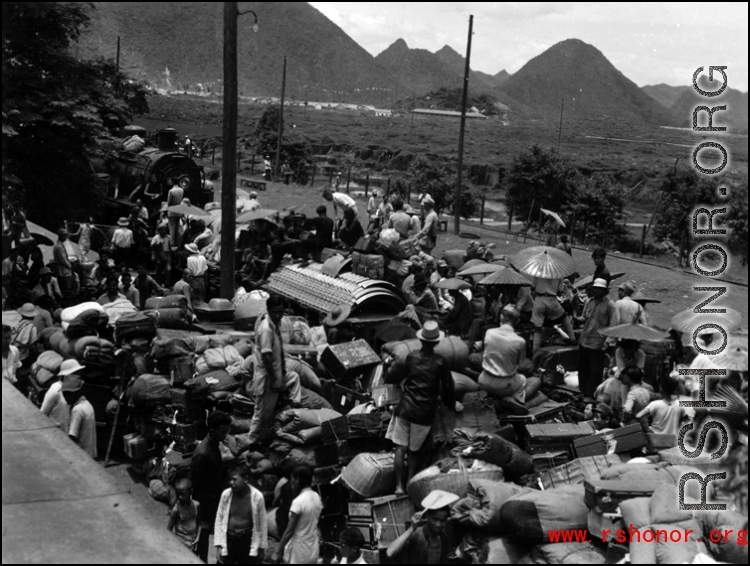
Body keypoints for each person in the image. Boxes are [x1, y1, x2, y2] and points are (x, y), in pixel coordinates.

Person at [385, 321, 461, 495]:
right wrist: (452, 403)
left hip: (405, 408)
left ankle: (398, 486)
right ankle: (410, 484)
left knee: (400, 448)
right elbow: (448, 387)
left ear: (421, 340)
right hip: (423, 412)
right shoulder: (440, 362)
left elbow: (405, 375)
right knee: (414, 451)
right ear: (436, 342)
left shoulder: (412, 356)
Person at [246, 295, 302, 449]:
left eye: (281, 312)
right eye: (275, 312)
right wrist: (275, 380)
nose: (278, 315)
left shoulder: (275, 326)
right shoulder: (265, 329)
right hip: (267, 378)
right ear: (268, 310)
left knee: (294, 377)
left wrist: (282, 373)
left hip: (277, 374)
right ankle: (252, 443)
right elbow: (266, 357)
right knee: (262, 413)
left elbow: (279, 353)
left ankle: (294, 407)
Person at [191, 410, 232, 562]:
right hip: (205, 501)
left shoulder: (214, 446)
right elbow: (194, 482)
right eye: (222, 432)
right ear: (212, 430)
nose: (225, 435)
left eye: (227, 431)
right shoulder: (203, 453)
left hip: (213, 498)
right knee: (203, 532)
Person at [214, 464, 268, 564]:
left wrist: (262, 548)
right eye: (230, 479)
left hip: (247, 540)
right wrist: (219, 545)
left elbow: (262, 523)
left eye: (234, 479)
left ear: (246, 479)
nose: (231, 483)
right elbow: (219, 518)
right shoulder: (226, 495)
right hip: (229, 539)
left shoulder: (257, 497)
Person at [387, 490, 458, 564]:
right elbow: (390, 553)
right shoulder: (416, 535)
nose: (438, 524)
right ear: (427, 516)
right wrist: (411, 528)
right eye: (435, 519)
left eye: (442, 520)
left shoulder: (443, 538)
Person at [576, 278, 619, 398]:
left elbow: (614, 324)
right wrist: (576, 318)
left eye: (600, 290)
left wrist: (608, 341)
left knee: (595, 371)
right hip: (584, 340)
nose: (597, 292)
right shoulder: (589, 301)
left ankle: (591, 394)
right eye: (596, 289)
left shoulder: (610, 305)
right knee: (583, 368)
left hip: (598, 342)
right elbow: (584, 317)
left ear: (605, 291)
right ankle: (582, 391)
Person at [274, 465, 322, 565]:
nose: (291, 481)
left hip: (299, 552)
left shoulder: (298, 502)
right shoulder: (316, 496)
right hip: (313, 548)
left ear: (297, 480)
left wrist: (278, 550)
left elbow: (289, 531)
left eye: (292, 478)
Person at [479, 305, 528, 403]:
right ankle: (515, 399)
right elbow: (519, 362)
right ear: (517, 322)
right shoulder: (520, 341)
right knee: (523, 379)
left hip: (483, 381)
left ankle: (490, 396)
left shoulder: (489, 333)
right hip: (505, 386)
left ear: (501, 317)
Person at [531, 275, 576, 352]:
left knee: (537, 327)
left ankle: (535, 350)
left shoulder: (538, 273)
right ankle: (573, 339)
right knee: (564, 317)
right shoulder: (558, 274)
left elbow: (532, 287)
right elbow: (560, 290)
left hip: (539, 300)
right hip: (551, 300)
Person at [60, 374, 97, 458]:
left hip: (82, 456)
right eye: (64, 394)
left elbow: (72, 437)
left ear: (78, 392)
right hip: (90, 454)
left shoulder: (77, 410)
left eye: (69, 394)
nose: (66, 398)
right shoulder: (87, 404)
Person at [40, 360, 82, 433]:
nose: (78, 376)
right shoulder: (55, 389)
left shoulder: (74, 390)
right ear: (66, 375)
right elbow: (42, 413)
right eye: (75, 373)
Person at [168, 478, 201, 553]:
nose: (179, 497)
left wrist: (197, 538)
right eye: (177, 494)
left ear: (191, 492)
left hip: (191, 546)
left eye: (183, 494)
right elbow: (168, 530)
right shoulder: (176, 509)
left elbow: (199, 524)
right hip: (178, 547)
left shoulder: (197, 505)